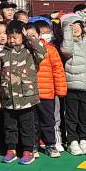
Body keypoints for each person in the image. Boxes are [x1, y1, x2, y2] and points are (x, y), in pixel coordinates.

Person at [0, 21, 46, 164]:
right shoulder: (2, 54)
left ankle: (28, 150)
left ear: (22, 36)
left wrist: (29, 37)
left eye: (15, 37)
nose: (11, 40)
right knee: (10, 126)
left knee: (27, 126)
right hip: (8, 98)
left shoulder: (29, 52)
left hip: (26, 98)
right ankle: (11, 150)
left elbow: (42, 52)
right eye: (9, 37)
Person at [60, 15, 86, 156]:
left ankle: (84, 139)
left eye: (78, 24)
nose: (75, 28)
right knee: (71, 116)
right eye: (71, 26)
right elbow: (66, 50)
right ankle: (72, 141)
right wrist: (67, 32)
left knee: (85, 116)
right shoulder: (67, 45)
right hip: (72, 87)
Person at [30, 21, 66, 157]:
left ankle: (50, 144)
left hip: (47, 92)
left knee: (48, 120)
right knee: (32, 122)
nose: (32, 38)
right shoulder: (26, 50)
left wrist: (60, 90)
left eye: (34, 35)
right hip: (31, 93)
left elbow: (58, 70)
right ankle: (33, 146)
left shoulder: (50, 49)